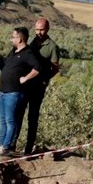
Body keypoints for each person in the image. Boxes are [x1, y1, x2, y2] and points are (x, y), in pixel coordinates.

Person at [0, 27, 44, 157]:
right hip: (3, 91)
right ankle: (1, 144)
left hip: (14, 93)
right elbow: (8, 69)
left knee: (10, 120)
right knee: (2, 120)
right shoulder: (13, 51)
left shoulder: (28, 53)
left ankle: (7, 147)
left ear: (20, 39)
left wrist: (26, 78)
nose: (11, 39)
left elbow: (38, 68)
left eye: (13, 37)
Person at [23, 18, 61, 155]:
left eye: (42, 29)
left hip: (38, 87)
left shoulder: (52, 47)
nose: (39, 32)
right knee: (18, 113)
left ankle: (28, 149)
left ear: (48, 29)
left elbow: (56, 68)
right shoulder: (32, 42)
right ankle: (11, 146)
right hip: (26, 83)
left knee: (32, 117)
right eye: (37, 29)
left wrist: (45, 79)